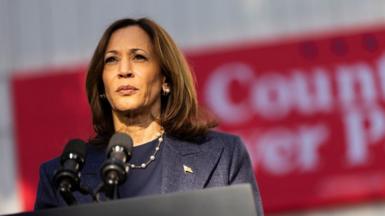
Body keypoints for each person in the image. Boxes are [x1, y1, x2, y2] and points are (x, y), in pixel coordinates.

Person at [34, 17, 264, 215]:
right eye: (111, 59)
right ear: (102, 85)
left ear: (165, 79)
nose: (124, 70)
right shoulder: (61, 178)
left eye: (139, 57)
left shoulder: (222, 155)